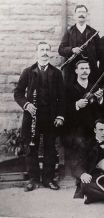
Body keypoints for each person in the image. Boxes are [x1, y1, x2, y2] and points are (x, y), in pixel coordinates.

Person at [14, 41, 65, 191]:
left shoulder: (56, 73)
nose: (44, 53)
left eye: (47, 50)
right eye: (41, 50)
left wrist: (60, 116)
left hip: (50, 117)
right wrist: (26, 104)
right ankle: (33, 179)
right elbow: (18, 93)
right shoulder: (28, 72)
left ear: (50, 53)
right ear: (37, 52)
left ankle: (48, 179)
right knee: (31, 148)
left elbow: (62, 97)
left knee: (50, 148)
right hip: (32, 116)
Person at [58, 4, 101, 85]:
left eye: (84, 12)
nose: (81, 14)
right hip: (72, 71)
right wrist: (72, 50)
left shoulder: (93, 32)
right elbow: (61, 50)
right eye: (79, 12)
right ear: (75, 15)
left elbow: (100, 52)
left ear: (87, 15)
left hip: (90, 71)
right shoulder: (69, 32)